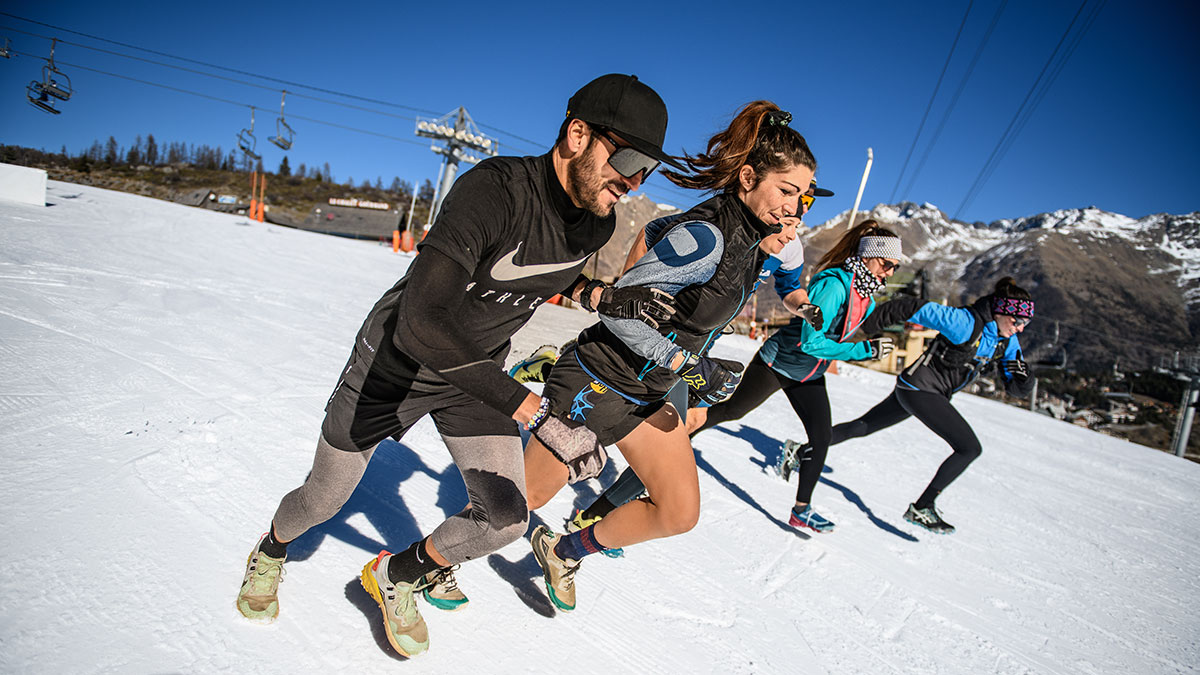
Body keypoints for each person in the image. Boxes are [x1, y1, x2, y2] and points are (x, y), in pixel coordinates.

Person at [234, 73, 683, 657]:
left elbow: (549, 268)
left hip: (476, 376)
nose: (634, 180)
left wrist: (602, 296)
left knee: (505, 519)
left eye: (647, 169)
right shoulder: (493, 191)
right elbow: (421, 321)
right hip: (396, 362)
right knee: (323, 500)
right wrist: (536, 414)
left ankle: (394, 576)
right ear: (577, 135)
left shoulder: (596, 221)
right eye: (627, 158)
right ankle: (270, 549)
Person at [521, 101, 817, 612]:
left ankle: (565, 551)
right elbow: (622, 314)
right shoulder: (710, 235)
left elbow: (665, 257)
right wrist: (690, 367)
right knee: (515, 505)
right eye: (786, 191)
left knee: (678, 511)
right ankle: (415, 568)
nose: (794, 208)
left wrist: (687, 369)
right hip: (601, 380)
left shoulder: (751, 243)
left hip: (646, 392)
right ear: (747, 177)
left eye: (802, 196)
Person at [561, 179, 837, 542]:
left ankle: (597, 515)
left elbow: (788, 289)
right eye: (795, 195)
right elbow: (653, 230)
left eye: (808, 202)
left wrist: (803, 307)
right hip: (660, 341)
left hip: (695, 349)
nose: (800, 208)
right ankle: (594, 513)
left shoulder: (788, 245)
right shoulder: (730, 227)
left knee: (682, 427)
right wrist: (630, 288)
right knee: (649, 423)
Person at [692, 219, 904, 533]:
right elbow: (812, 341)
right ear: (869, 255)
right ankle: (682, 433)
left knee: (822, 437)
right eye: (886, 264)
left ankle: (801, 510)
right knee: (732, 410)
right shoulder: (834, 285)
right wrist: (863, 352)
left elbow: (829, 342)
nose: (888, 272)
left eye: (894, 268)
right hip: (779, 363)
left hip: (809, 372)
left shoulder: (867, 297)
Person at [779, 276, 1037, 534]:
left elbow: (1014, 386)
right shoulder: (965, 323)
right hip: (920, 390)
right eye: (1017, 321)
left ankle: (800, 452)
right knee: (969, 448)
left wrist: (1024, 380)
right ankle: (923, 507)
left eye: (1026, 323)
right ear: (1001, 311)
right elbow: (912, 307)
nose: (1021, 328)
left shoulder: (1006, 340)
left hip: (919, 390)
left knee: (863, 426)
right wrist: (869, 326)